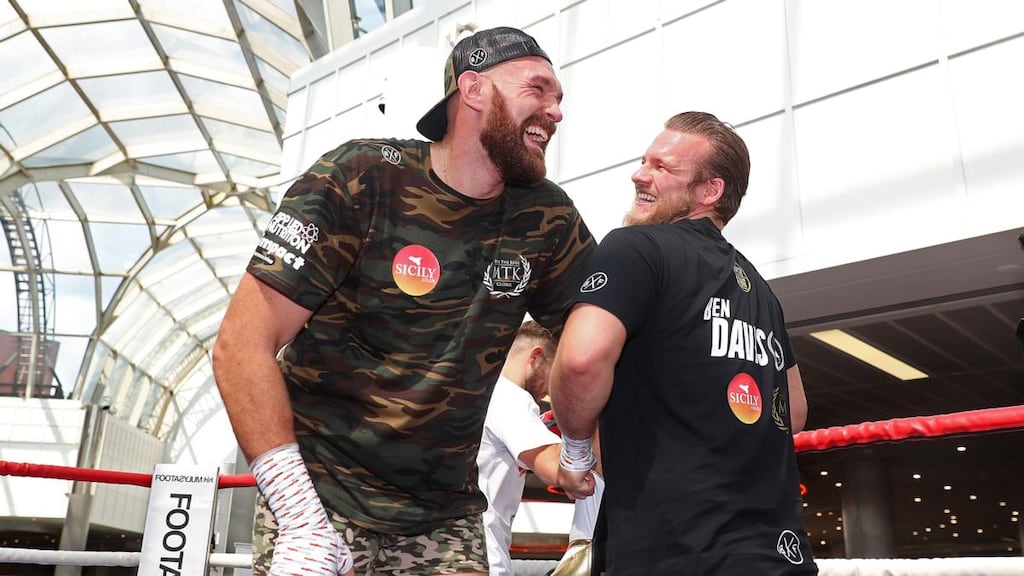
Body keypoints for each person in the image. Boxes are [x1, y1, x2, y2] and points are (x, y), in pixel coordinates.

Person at [212, 26, 595, 576]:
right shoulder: (359, 177)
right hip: (322, 498)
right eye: (538, 89)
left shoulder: (547, 218)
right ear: (474, 89)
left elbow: (604, 338)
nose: (556, 111)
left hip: (445, 517)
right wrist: (297, 516)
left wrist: (583, 447)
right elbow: (241, 345)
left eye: (559, 99)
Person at [548, 112, 816, 575]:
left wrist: (575, 451)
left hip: (674, 554)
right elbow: (792, 410)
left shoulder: (637, 247)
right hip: (775, 555)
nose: (639, 174)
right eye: (643, 161)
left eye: (662, 168)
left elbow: (579, 360)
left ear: (709, 191)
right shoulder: (759, 290)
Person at [476, 320, 563, 576]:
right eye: (559, 373)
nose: (554, 387)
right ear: (536, 357)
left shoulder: (480, 393)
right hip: (484, 558)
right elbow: (558, 469)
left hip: (467, 551)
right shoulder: (510, 398)